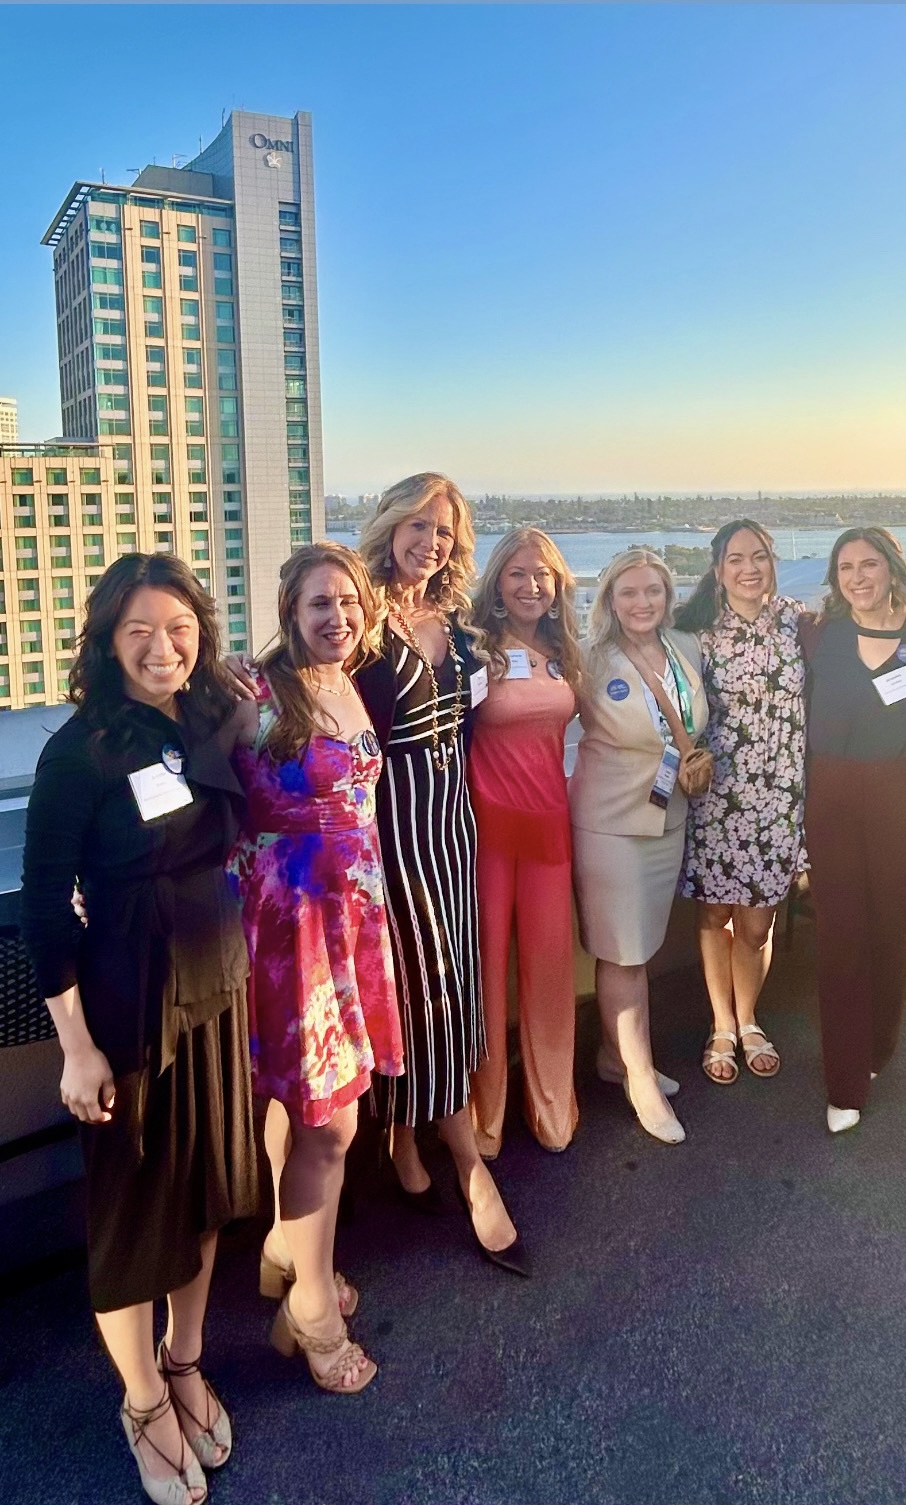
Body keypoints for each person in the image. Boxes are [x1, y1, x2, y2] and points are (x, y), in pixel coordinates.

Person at [21, 554, 256, 1505]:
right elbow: (43, 907)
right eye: (139, 632)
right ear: (108, 643)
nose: (163, 646)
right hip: (127, 1004)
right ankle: (143, 1400)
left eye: (179, 627)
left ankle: (187, 1357)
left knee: (204, 1190)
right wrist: (76, 1047)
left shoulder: (211, 717)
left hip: (217, 987)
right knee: (131, 1212)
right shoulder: (79, 749)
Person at [227, 543, 403, 1394]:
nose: (336, 617)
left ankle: (281, 1250)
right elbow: (190, 782)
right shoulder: (254, 693)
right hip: (291, 923)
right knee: (329, 1124)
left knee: (303, 1110)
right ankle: (311, 1311)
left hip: (351, 916)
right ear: (288, 612)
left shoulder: (346, 679)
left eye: (347, 602)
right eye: (317, 605)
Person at [355, 474, 527, 1276]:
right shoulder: (357, 619)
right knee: (421, 985)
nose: (431, 542)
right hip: (389, 837)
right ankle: (467, 1162)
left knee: (451, 973)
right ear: (391, 525)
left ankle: (402, 1136)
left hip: (454, 829)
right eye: (419, 525)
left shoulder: (452, 623)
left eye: (446, 531)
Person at [798, 528, 906, 1134]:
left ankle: (879, 1044)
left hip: (900, 799)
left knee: (890, 928)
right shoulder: (816, 634)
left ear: (892, 568)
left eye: (869, 564)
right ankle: (845, 1079)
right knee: (839, 935)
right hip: (830, 799)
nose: (858, 577)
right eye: (845, 568)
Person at [569, 548, 708, 1145]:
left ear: (667, 596)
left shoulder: (687, 648)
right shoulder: (586, 661)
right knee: (622, 952)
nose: (642, 602)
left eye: (652, 590)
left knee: (639, 947)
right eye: (628, 593)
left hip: (666, 817)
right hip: (610, 823)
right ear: (609, 601)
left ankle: (612, 1055)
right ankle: (639, 1078)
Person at [675, 521, 806, 1085]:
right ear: (717, 568)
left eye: (759, 557)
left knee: (756, 924)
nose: (748, 568)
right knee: (715, 914)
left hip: (782, 797)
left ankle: (747, 1013)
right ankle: (727, 1023)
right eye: (735, 559)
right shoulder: (695, 632)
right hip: (719, 798)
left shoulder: (801, 622)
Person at [467, 528, 583, 1156]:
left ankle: (551, 1106)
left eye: (542, 575)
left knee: (550, 972)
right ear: (497, 583)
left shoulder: (567, 652)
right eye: (516, 573)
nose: (530, 586)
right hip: (486, 829)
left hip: (549, 826)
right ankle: (486, 1116)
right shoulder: (475, 650)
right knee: (487, 974)